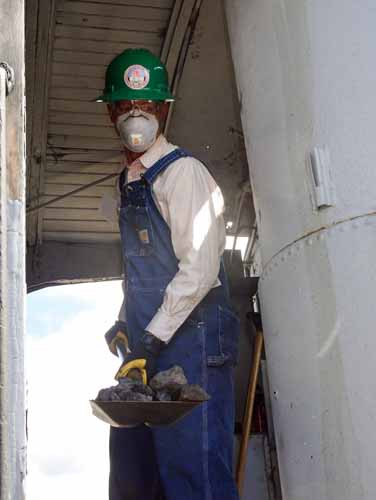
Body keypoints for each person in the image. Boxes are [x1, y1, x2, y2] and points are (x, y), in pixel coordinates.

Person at [97, 48, 240, 500]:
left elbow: (198, 270)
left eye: (146, 106)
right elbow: (139, 268)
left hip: (190, 340)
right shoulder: (127, 183)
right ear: (110, 115)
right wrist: (126, 319)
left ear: (164, 111)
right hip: (149, 340)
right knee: (134, 474)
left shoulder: (183, 174)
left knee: (192, 470)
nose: (135, 116)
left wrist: (151, 338)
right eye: (124, 106)